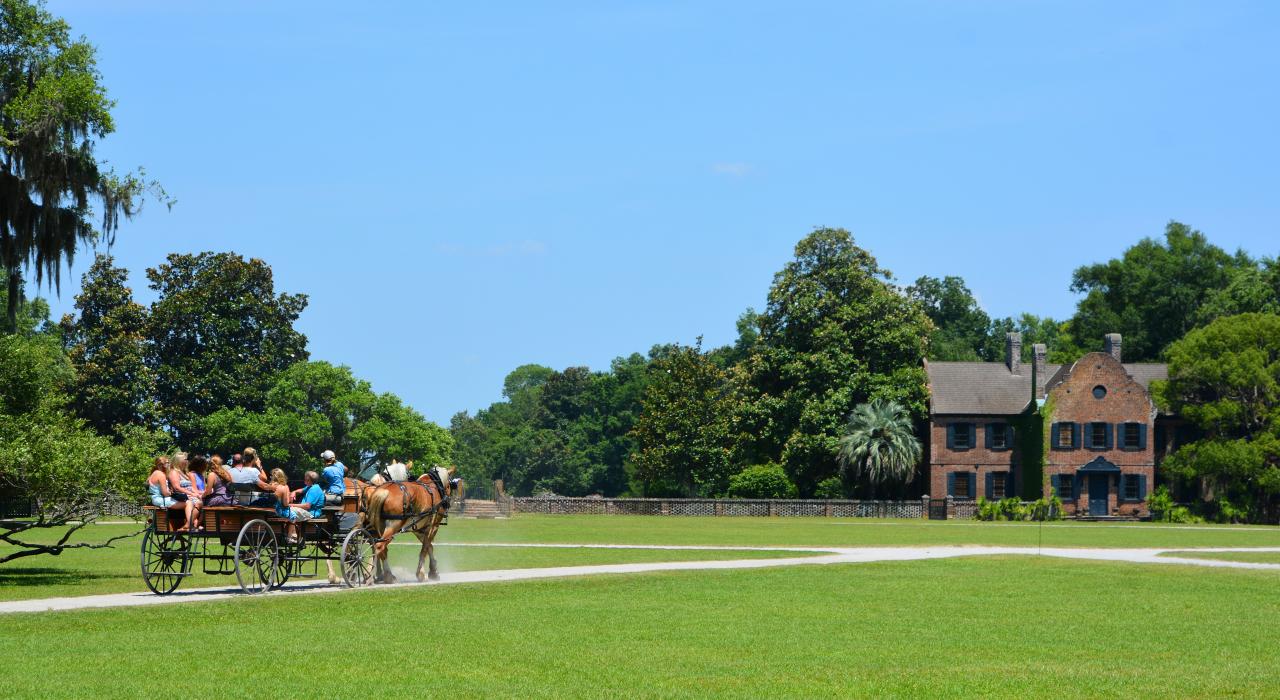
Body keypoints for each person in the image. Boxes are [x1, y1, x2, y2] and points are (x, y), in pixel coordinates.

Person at [260, 468, 303, 542]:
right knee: (293, 516)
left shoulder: (268, 486)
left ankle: (293, 534)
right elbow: (286, 503)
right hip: (278, 511)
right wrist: (290, 500)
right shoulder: (284, 487)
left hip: (267, 509)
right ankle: (290, 536)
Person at [166, 452, 201, 532]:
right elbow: (176, 487)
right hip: (181, 496)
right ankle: (190, 524)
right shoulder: (174, 472)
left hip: (189, 495)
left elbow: (192, 488)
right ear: (179, 461)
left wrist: (200, 493)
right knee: (199, 503)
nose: (187, 461)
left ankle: (195, 524)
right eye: (185, 460)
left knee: (205, 501)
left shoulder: (185, 473)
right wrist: (192, 494)